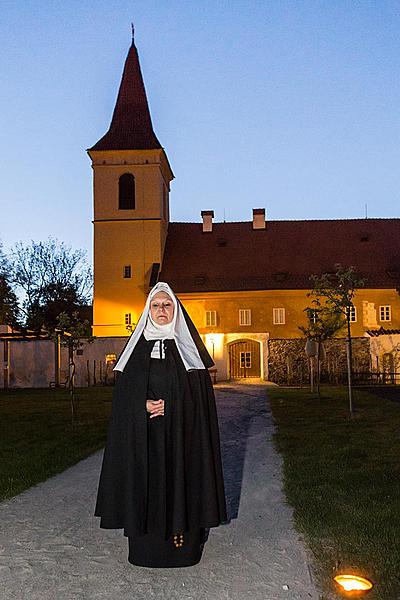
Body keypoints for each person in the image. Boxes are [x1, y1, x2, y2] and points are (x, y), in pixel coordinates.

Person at [95, 282, 227, 568]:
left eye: (167, 305)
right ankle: (145, 550)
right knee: (147, 488)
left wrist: (175, 405)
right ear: (148, 310)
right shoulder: (136, 350)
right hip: (146, 439)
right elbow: (123, 397)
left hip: (182, 437)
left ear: (176, 310)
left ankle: (184, 549)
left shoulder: (188, 349)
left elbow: (202, 401)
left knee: (182, 483)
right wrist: (140, 405)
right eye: (156, 305)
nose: (162, 310)